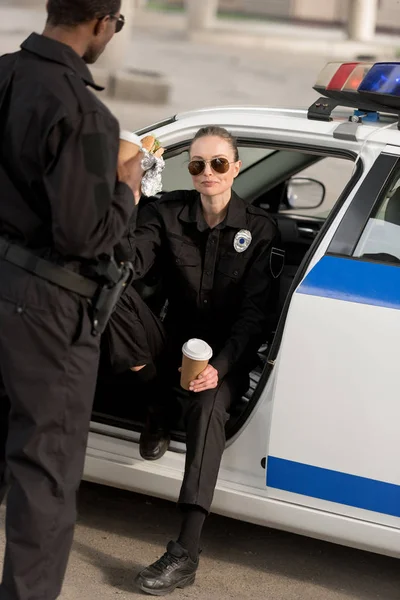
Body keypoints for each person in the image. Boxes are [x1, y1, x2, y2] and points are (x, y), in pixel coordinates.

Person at [0, 1, 144, 599]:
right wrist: (126, 189)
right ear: (102, 23)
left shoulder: (3, 72)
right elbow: (84, 236)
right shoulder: (85, 113)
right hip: (45, 306)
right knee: (45, 473)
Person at [104, 126, 283, 596]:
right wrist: (131, 195)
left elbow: (252, 318)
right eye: (198, 164)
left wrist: (218, 369)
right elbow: (128, 262)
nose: (208, 173)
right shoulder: (166, 214)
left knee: (207, 410)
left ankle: (185, 551)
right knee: (112, 291)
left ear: (237, 167)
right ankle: (158, 407)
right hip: (169, 342)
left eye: (219, 163)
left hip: (222, 357)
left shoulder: (260, 229)